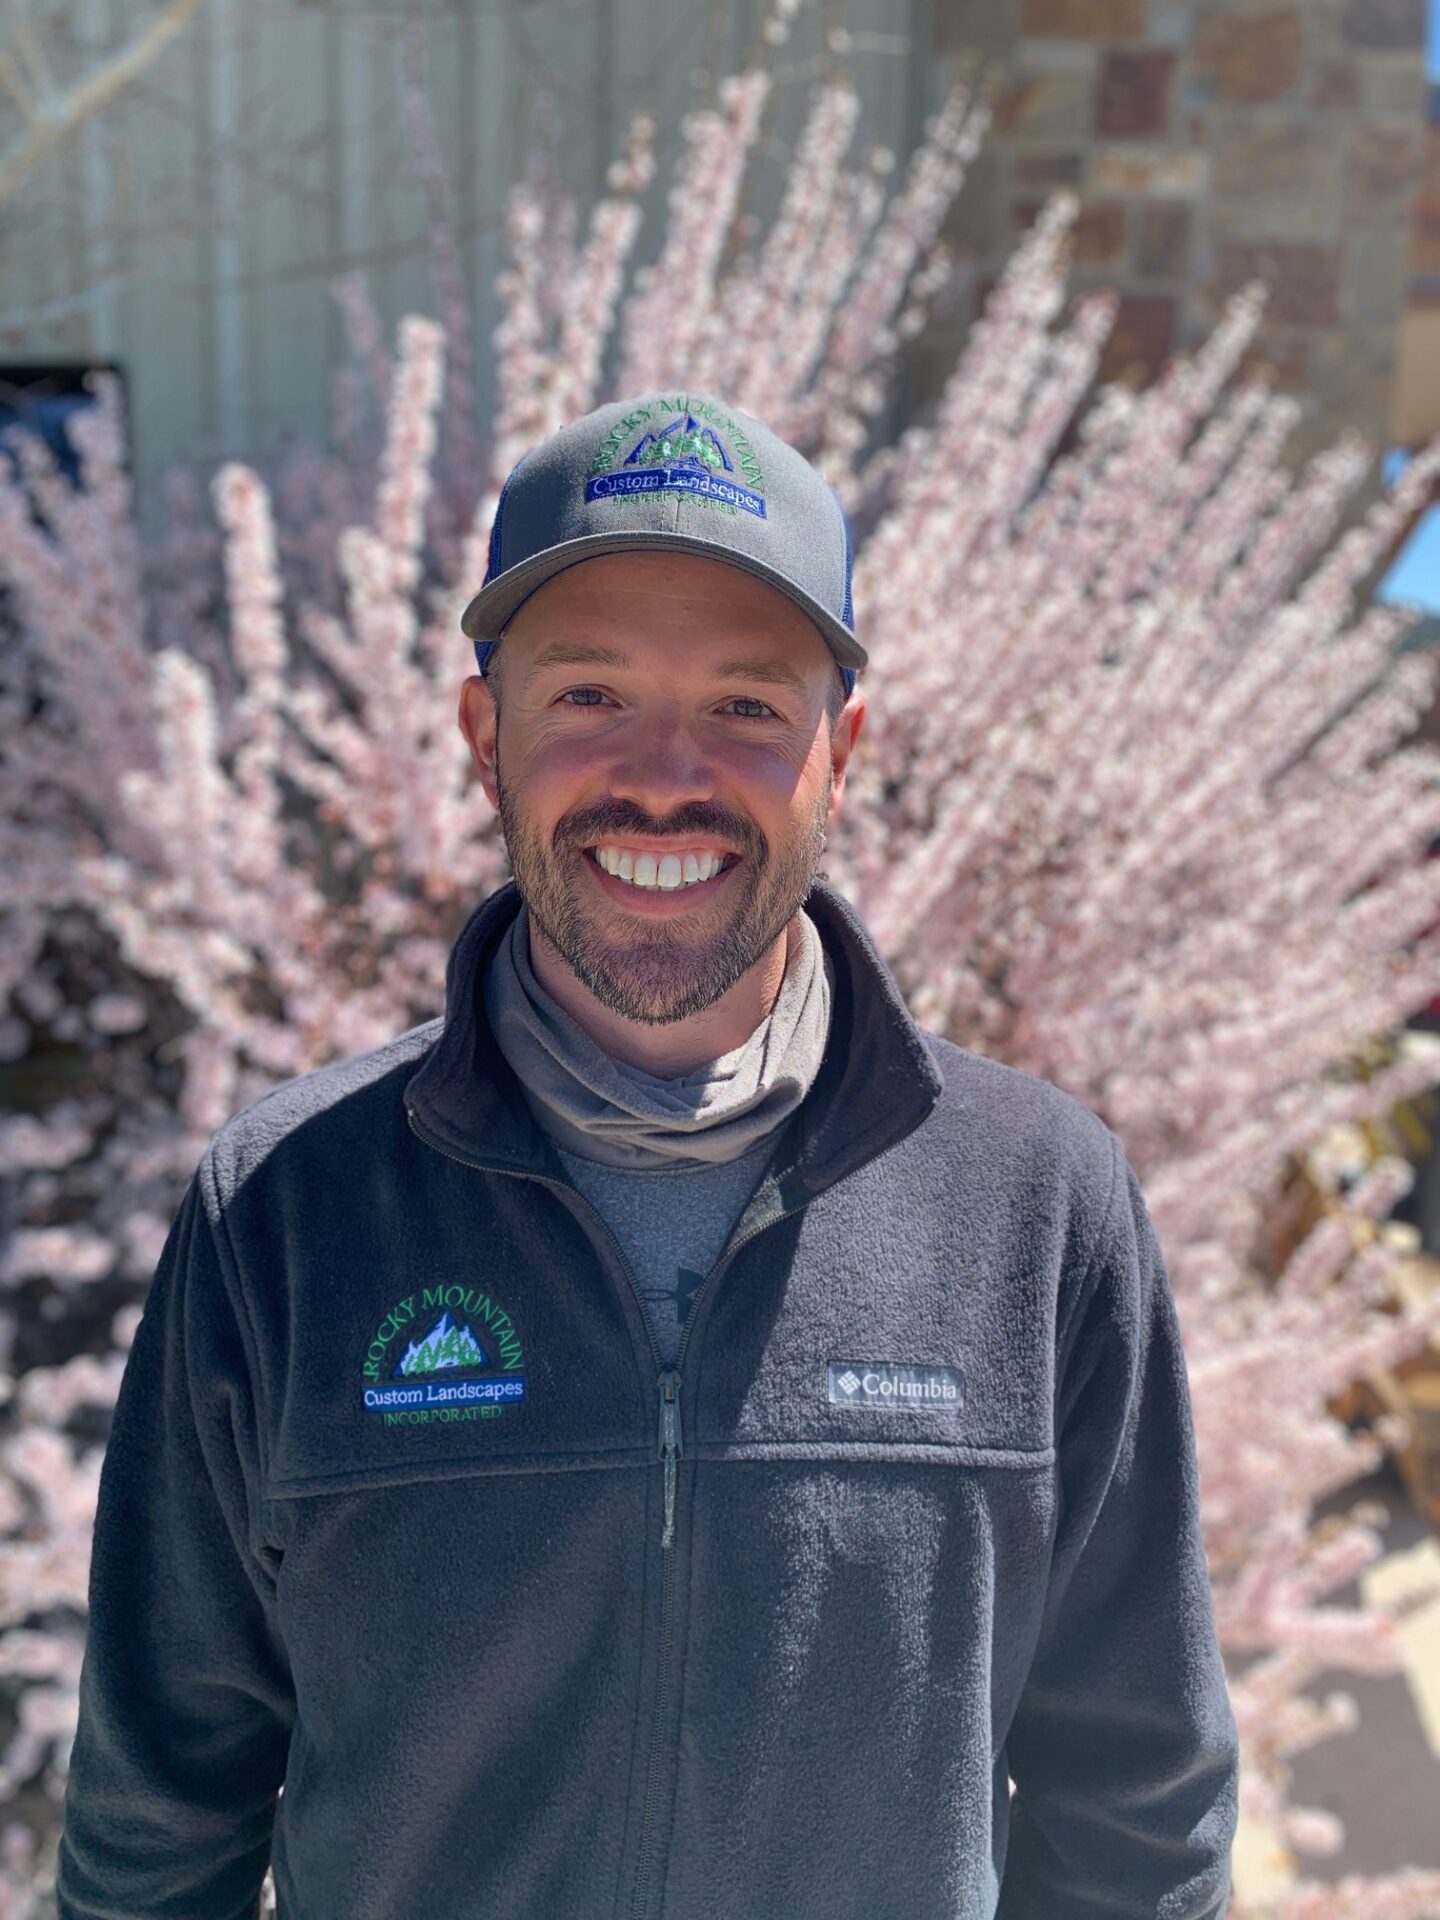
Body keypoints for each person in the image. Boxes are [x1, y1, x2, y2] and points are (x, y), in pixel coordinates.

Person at [56, 390, 1240, 1920]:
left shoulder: (1037, 1205)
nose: (665, 778)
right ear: (487, 732)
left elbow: (1141, 1811)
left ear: (842, 748)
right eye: (591, 697)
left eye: (748, 706)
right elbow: (159, 1819)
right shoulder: (283, 1216)